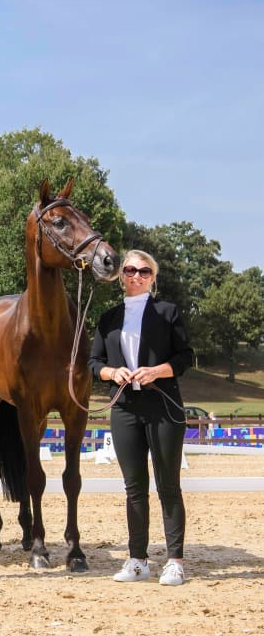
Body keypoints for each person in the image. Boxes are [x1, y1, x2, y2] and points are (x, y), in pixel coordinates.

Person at [89, 249, 193, 586]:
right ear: (121, 275)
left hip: (163, 406)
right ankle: (137, 560)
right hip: (124, 408)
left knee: (168, 485)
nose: (137, 276)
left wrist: (157, 371)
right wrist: (111, 372)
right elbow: (94, 363)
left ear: (153, 277)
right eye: (131, 270)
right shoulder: (109, 318)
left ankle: (174, 561)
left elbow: (185, 357)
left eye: (144, 271)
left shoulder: (168, 312)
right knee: (134, 488)